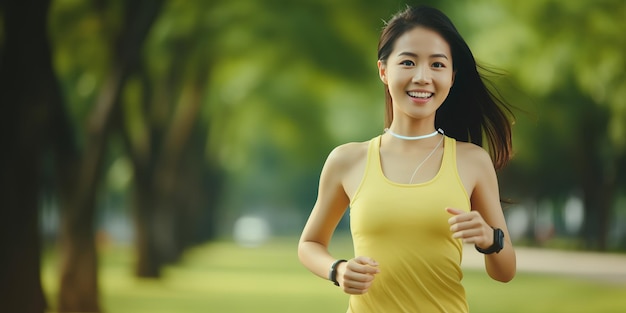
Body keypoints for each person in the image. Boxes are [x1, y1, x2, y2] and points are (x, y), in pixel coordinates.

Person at [297, 5, 517, 313]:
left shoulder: (472, 161)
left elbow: (505, 271)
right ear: (384, 71)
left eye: (437, 65)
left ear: (452, 77)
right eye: (409, 62)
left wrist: (490, 239)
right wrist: (338, 270)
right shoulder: (347, 160)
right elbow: (309, 244)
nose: (422, 77)